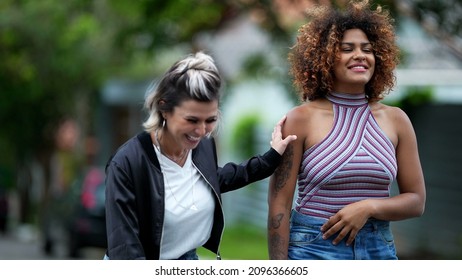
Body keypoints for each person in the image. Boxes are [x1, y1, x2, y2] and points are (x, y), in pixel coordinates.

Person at [267, 0, 426, 260]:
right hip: (314, 247)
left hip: (378, 250)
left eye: (367, 49)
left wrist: (368, 207)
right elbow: (279, 205)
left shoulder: (397, 120)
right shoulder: (300, 119)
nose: (360, 55)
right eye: (347, 49)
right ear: (326, 57)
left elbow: (416, 201)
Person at [104, 51, 296, 260]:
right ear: (164, 108)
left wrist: (272, 157)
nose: (202, 131)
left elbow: (217, 179)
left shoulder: (202, 147)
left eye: (210, 120)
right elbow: (124, 250)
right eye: (192, 120)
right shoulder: (127, 163)